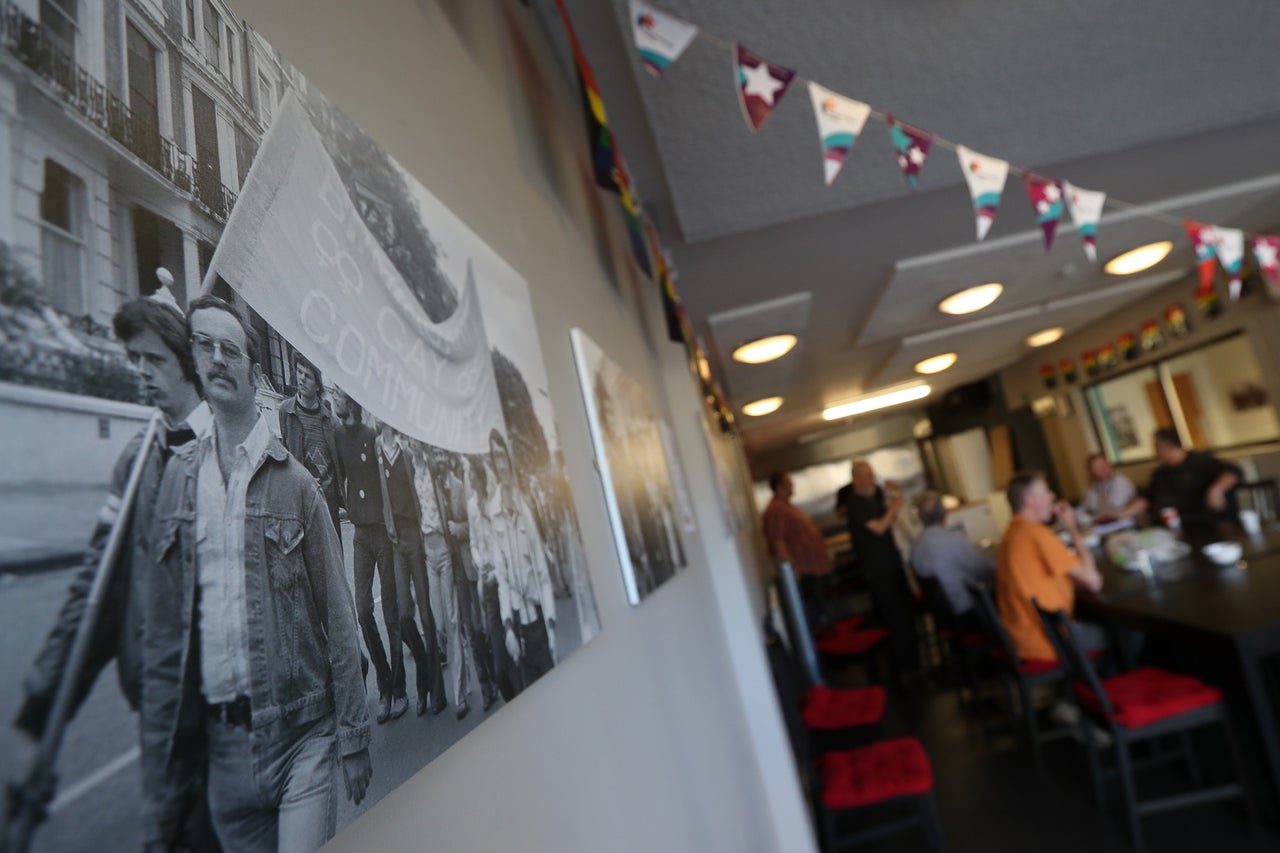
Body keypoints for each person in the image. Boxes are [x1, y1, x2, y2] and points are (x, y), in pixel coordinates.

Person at [141, 296, 371, 852]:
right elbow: (165, 636)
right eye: (205, 346)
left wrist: (353, 736)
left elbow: (340, 619)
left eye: (231, 349)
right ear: (193, 361)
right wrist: (164, 756)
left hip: (301, 739)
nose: (218, 358)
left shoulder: (296, 487)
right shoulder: (176, 481)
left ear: (251, 366)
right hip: (223, 755)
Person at [12, 294, 214, 847]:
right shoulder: (135, 463)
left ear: (188, 364)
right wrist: (41, 708)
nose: (142, 376)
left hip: (231, 715)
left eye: (154, 362)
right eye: (135, 362)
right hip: (160, 708)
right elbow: (93, 589)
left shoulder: (228, 455)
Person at [332, 393, 404, 723]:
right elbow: (336, 475)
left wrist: (392, 523)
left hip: (382, 533)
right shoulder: (336, 436)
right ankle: (384, 680)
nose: (333, 399)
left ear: (351, 402)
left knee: (390, 614)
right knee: (363, 611)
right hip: (360, 533)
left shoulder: (372, 437)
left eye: (337, 395)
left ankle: (399, 690)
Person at [996, 471, 1105, 663]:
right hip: (1051, 640)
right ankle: (1099, 688)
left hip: (1022, 637)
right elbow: (1093, 581)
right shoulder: (1037, 534)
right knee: (1120, 633)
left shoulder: (1011, 534)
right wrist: (1072, 528)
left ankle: (1091, 686)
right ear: (1031, 500)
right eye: (1047, 491)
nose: (1053, 496)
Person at [377, 424, 447, 717]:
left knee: (427, 616)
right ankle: (423, 669)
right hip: (396, 543)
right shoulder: (378, 451)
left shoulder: (404, 452)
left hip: (415, 538)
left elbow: (420, 489)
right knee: (405, 617)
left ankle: (434, 690)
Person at [488, 430, 557, 686]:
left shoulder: (525, 509)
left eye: (503, 456)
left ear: (508, 458)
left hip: (539, 620)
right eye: (496, 458)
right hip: (517, 625)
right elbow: (502, 580)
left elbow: (542, 574)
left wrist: (551, 628)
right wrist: (508, 629)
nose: (502, 464)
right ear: (494, 464)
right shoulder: (492, 512)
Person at [842, 459, 919, 684]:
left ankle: (912, 664)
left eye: (872, 475)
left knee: (906, 614)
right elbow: (878, 527)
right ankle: (904, 671)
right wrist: (894, 508)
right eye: (866, 476)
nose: (871, 480)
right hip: (879, 571)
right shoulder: (855, 504)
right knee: (895, 620)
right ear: (856, 479)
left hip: (892, 566)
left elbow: (892, 521)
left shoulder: (872, 499)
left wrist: (894, 495)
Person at [910, 491, 994, 633]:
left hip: (943, 616)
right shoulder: (954, 541)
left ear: (920, 518)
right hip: (969, 615)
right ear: (946, 513)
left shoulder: (916, 549)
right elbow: (986, 570)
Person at [277, 356, 342, 537]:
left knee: (333, 558)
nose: (302, 379)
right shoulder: (286, 411)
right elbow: (287, 454)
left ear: (318, 385)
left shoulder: (331, 421)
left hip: (328, 502)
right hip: (301, 500)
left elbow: (337, 463)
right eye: (299, 372)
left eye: (308, 376)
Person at [1146, 428, 1242, 529]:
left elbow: (1232, 472)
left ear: (1168, 445)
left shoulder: (1201, 461)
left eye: (1157, 447)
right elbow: (1148, 495)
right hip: (1175, 526)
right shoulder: (1160, 472)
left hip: (1209, 524)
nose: (1156, 453)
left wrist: (1216, 490)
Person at [1078, 453, 1145, 528]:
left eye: (1104, 465)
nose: (1102, 469)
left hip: (1124, 524)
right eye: (1097, 468)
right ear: (1091, 472)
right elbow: (1083, 510)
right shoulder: (1092, 489)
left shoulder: (1120, 482)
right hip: (1102, 526)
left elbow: (1115, 507)